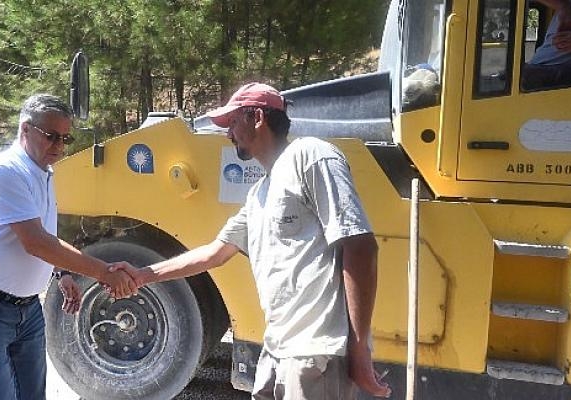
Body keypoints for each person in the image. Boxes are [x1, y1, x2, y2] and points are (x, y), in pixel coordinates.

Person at [115, 83, 391, 399]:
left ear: (257, 117)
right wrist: (144, 275)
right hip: (277, 348)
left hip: (316, 350)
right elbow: (215, 253)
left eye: (233, 122)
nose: (227, 133)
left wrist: (357, 347)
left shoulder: (311, 156)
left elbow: (360, 244)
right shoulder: (260, 192)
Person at [0, 93, 137, 400]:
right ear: (25, 129)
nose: (59, 147)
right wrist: (103, 272)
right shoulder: (7, 170)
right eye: (51, 137)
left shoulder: (44, 172)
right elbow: (35, 242)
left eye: (65, 138)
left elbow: (46, 233)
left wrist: (62, 273)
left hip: (26, 308)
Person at [522, 0, 571, 90]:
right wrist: (563, 6)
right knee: (509, 77)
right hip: (536, 66)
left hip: (568, 71)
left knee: (517, 80)